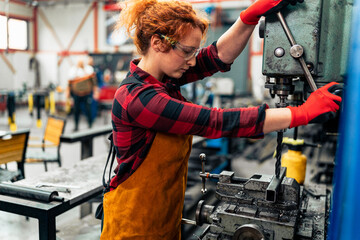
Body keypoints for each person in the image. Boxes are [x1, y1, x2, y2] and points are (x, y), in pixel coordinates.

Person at [101, 0, 342, 239]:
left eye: (194, 52)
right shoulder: (138, 99)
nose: (193, 60)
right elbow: (214, 122)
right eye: (187, 51)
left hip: (161, 216)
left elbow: (216, 56)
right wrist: (301, 113)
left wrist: (248, 17)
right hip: (132, 225)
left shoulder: (164, 79)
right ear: (157, 43)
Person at [67, 58, 97, 131]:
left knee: (88, 110)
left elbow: (94, 82)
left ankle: (90, 125)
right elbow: (69, 84)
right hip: (76, 94)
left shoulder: (89, 70)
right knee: (76, 111)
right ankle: (76, 126)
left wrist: (96, 92)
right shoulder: (73, 71)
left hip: (86, 94)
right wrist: (68, 94)